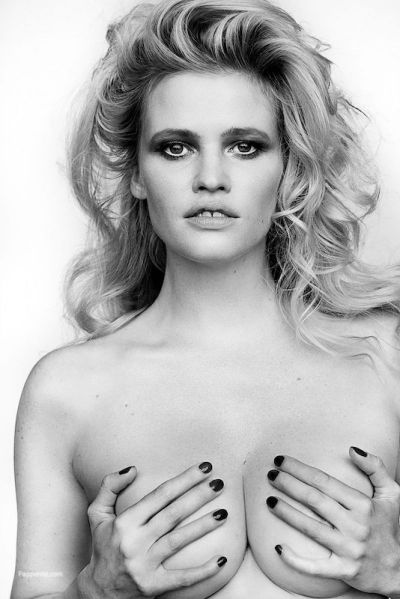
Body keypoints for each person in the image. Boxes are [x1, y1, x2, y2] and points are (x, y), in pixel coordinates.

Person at [11, 0, 400, 597]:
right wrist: (96, 591)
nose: (210, 178)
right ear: (136, 173)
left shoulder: (387, 358)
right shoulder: (66, 391)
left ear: (289, 168)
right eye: (176, 147)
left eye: (245, 146)